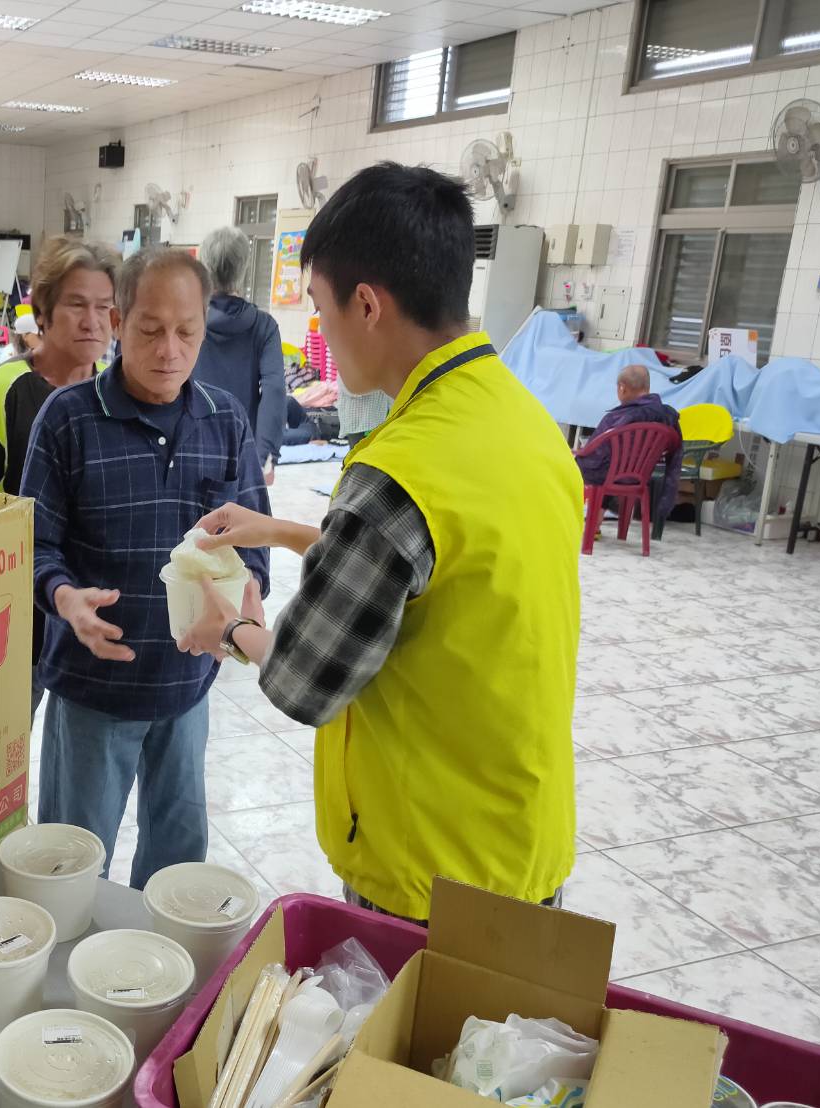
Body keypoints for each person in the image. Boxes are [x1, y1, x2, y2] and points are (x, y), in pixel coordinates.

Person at [177, 162, 583, 925]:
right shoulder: (522, 420)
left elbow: (305, 678)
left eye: (323, 313)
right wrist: (285, 531)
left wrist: (231, 628)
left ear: (367, 304)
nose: (321, 336)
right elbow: (437, 570)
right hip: (521, 830)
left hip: (431, 867)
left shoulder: (399, 469)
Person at [19, 247, 270, 890]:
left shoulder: (224, 421)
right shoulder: (69, 420)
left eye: (187, 333)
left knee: (178, 867)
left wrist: (250, 596)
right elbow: (34, 544)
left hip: (187, 687)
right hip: (92, 689)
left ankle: (165, 985)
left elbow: (254, 542)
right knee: (68, 868)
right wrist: (65, 598)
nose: (169, 351)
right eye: (151, 330)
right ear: (119, 320)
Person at [0, 236, 118, 719]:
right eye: (76, 305)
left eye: (105, 307)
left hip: (93, 612)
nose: (93, 321)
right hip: (13, 612)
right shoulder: (2, 388)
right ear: (42, 313)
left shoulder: (118, 391)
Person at [194, 226, 285, 484]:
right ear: (245, 267)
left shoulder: (188, 321)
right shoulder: (263, 326)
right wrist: (265, 456)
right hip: (242, 452)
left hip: (187, 447)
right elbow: (275, 390)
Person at [576, 364, 682, 514]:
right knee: (610, 464)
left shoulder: (616, 417)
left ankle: (583, 518)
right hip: (641, 477)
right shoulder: (666, 415)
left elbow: (594, 452)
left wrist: (577, 454)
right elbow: (675, 450)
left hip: (609, 475)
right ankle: (597, 520)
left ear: (622, 388)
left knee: (575, 464)